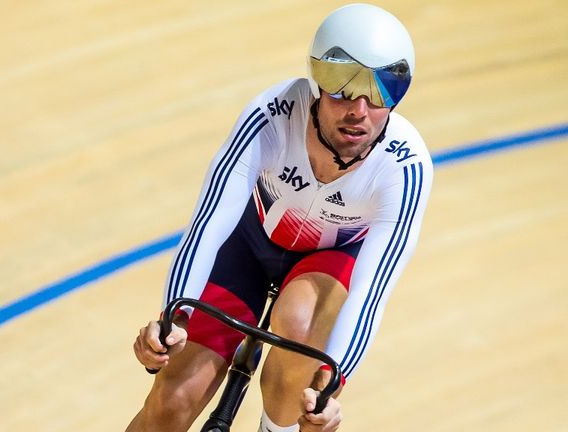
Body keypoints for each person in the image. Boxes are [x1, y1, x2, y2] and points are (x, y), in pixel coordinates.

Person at [128, 3, 433, 431]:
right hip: (249, 246)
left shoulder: (406, 168)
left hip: (329, 262)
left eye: (382, 89)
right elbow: (208, 223)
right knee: (171, 403)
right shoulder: (270, 116)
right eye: (342, 86)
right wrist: (172, 319)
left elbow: (371, 291)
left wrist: (330, 385)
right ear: (315, 81)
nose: (359, 110)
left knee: (299, 326)